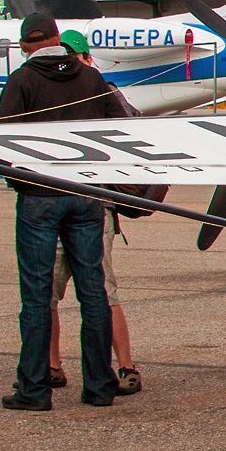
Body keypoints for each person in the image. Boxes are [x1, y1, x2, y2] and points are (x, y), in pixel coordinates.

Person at [0, 13, 127, 411]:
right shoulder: (90, 78)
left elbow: (0, 141)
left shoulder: (21, 80)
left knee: (37, 296)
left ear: (23, 46)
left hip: (39, 196)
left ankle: (34, 390)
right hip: (87, 193)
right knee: (94, 292)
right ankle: (100, 387)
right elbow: (120, 128)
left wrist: (20, 183)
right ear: (58, 38)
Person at [46, 30, 142, 393]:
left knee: (97, 291)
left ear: (83, 57)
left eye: (71, 55)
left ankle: (125, 365)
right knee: (64, 292)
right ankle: (55, 365)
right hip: (81, 203)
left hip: (87, 202)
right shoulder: (96, 87)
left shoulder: (102, 88)